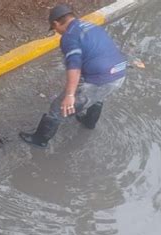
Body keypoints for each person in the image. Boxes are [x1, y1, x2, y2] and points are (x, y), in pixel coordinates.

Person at [20, 4, 127, 148]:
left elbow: (74, 68)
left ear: (56, 23)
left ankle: (40, 140)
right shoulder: (90, 26)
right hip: (119, 73)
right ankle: (89, 122)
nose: (57, 32)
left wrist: (69, 96)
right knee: (97, 96)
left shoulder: (69, 37)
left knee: (58, 107)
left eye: (54, 29)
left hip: (100, 78)